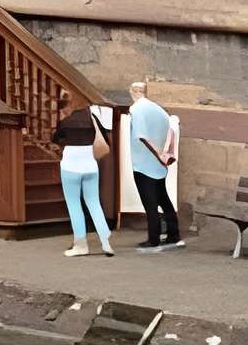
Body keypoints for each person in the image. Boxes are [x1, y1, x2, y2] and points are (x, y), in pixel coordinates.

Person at [54, 100, 116, 256]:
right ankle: (106, 243)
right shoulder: (93, 119)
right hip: (91, 166)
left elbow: (56, 138)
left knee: (74, 205)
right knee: (94, 203)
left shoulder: (66, 122)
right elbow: (105, 139)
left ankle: (81, 245)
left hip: (70, 167)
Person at [126, 79, 182, 250]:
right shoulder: (158, 109)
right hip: (159, 166)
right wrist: (166, 154)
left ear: (134, 91)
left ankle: (154, 238)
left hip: (143, 164)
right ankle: (173, 234)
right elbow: (171, 129)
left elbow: (142, 136)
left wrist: (158, 153)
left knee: (149, 203)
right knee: (164, 199)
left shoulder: (136, 109)